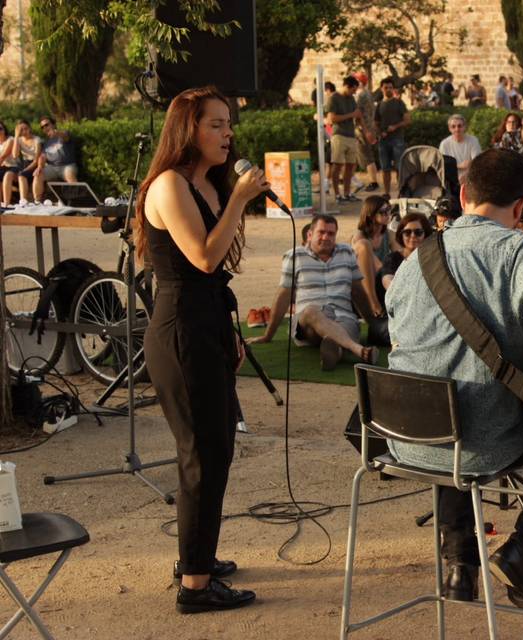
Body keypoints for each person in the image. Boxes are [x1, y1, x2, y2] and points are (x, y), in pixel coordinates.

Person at [385, 147, 523, 612]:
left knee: (449, 385)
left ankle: (459, 561)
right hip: (478, 445)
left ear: (463, 194)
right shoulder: (516, 247)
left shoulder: (416, 256)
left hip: (400, 438)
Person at [137, 86, 269, 613]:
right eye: (216, 124)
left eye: (228, 124)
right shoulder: (169, 185)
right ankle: (194, 585)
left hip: (206, 325)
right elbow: (203, 259)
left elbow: (214, 281)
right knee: (202, 456)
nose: (227, 133)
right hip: (180, 334)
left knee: (215, 451)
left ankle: (198, 556)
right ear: (188, 129)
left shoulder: (206, 183)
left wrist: (228, 331)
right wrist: (239, 197)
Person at [249, 214, 379, 368]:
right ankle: (357, 349)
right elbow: (283, 296)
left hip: (343, 317)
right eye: (321, 232)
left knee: (339, 333)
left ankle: (335, 351)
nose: (326, 237)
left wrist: (374, 326)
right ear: (310, 235)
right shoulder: (294, 256)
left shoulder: (347, 252)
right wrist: (268, 335)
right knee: (312, 311)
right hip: (307, 323)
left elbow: (358, 293)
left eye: (331, 234)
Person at [351, 195, 397, 317]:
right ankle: (374, 305)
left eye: (389, 210)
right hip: (362, 283)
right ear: (370, 215)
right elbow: (377, 265)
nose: (388, 214)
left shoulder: (389, 234)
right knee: (364, 246)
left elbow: (400, 256)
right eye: (383, 212)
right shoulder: (359, 237)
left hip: (381, 279)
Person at [325, 75, 362, 204]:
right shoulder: (334, 98)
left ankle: (347, 193)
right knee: (337, 165)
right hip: (339, 135)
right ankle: (337, 194)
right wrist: (351, 115)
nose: (354, 93)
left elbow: (357, 114)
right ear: (347, 86)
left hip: (351, 135)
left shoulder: (351, 99)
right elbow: (332, 119)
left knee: (350, 166)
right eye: (353, 90)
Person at [379, 212, 432, 292]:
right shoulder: (392, 258)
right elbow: (388, 281)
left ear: (426, 234)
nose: (413, 236)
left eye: (418, 232)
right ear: (401, 235)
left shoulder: (433, 257)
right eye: (407, 232)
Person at [375, 77, 410, 196]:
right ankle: (386, 193)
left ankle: (401, 192)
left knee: (399, 168)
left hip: (397, 139)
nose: (388, 89)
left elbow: (407, 120)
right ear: (381, 89)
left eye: (390, 87)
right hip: (383, 141)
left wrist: (395, 127)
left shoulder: (399, 103)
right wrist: (380, 132)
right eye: (386, 87)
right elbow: (376, 122)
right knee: (385, 168)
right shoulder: (379, 105)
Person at [34, 116, 79, 200]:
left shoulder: (63, 134)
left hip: (67, 165)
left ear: (54, 124)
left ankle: (76, 201)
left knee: (69, 174)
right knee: (38, 174)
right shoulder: (46, 142)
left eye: (47, 125)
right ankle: (37, 201)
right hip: (53, 167)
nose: (45, 128)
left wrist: (56, 133)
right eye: (42, 127)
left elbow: (65, 136)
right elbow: (42, 156)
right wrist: (39, 166)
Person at [353, 73, 380, 193]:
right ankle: (354, 180)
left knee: (367, 156)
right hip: (369, 127)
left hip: (362, 130)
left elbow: (359, 115)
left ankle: (373, 181)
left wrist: (365, 130)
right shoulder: (369, 94)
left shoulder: (360, 95)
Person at [439, 114, 482, 183]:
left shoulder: (473, 141)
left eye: (459, 126)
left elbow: (477, 162)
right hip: (451, 180)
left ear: (464, 127)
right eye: (453, 126)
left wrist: (466, 175)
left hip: (470, 177)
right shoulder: (444, 144)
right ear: (449, 129)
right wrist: (459, 166)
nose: (457, 129)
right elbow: (443, 166)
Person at [11, 120, 40, 204]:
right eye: (21, 129)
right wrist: (16, 136)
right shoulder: (19, 140)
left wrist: (25, 170)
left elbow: (36, 160)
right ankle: (23, 201)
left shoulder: (36, 139)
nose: (24, 131)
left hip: (35, 163)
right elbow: (14, 155)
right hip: (25, 163)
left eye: (26, 128)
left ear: (30, 128)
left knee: (21, 175)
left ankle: (23, 201)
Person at [0, 122, 18, 207]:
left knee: (7, 175)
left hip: (13, 167)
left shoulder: (10, 140)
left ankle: (6, 204)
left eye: (0, 129)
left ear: (4, 130)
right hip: (2, 167)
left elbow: (3, 156)